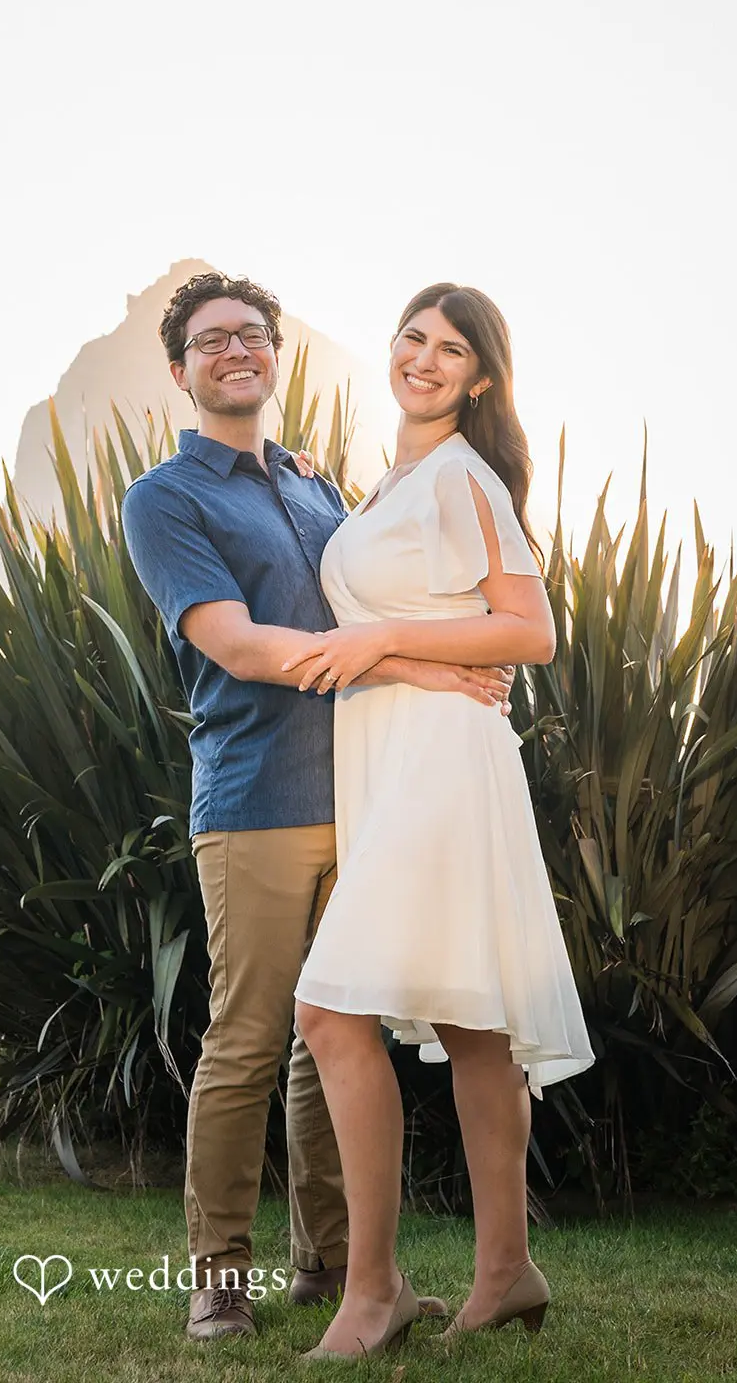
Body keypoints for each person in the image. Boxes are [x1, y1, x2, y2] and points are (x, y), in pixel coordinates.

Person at [120, 271, 515, 1342]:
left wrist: (435, 655)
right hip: (253, 798)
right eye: (212, 341)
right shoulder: (165, 497)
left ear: (275, 353)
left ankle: (337, 1267)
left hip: (364, 793)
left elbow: (378, 613)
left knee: (328, 1036)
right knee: (247, 1038)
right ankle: (218, 1282)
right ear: (181, 370)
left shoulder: (316, 488)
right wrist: (427, 670)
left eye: (252, 334)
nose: (236, 349)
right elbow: (239, 645)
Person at [284, 282, 595, 1361]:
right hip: (392, 754)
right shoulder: (392, 483)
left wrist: (378, 648)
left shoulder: (463, 478)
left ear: (479, 378)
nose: (422, 357)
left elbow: (531, 631)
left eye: (449, 347)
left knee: (327, 1012)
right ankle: (504, 1271)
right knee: (470, 1024)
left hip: (440, 764)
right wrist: (390, 646)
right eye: (412, 336)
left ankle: (370, 1292)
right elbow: (389, 624)